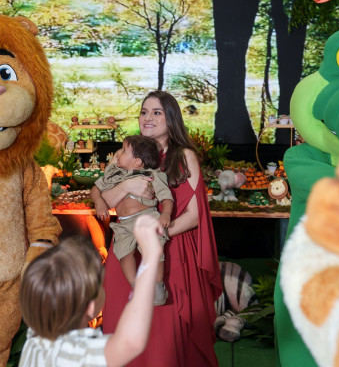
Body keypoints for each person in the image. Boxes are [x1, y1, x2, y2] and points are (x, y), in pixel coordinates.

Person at [92, 90, 222, 366]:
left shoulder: (183, 156)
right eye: (143, 112)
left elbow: (195, 215)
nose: (147, 117)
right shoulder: (125, 154)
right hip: (126, 251)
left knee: (162, 337)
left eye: (156, 112)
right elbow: (106, 200)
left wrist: (154, 237)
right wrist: (126, 185)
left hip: (168, 252)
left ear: (171, 118)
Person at [18, 214, 164, 367]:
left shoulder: (35, 343)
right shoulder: (72, 353)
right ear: (90, 306)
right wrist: (150, 256)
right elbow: (130, 342)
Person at [93, 135, 173, 305]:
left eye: (123, 151)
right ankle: (135, 285)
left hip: (146, 218)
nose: (118, 154)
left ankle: (158, 285)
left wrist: (166, 214)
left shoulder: (152, 175)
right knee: (123, 252)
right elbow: (95, 189)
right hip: (124, 223)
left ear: (137, 162)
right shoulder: (115, 173)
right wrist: (99, 203)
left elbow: (166, 198)